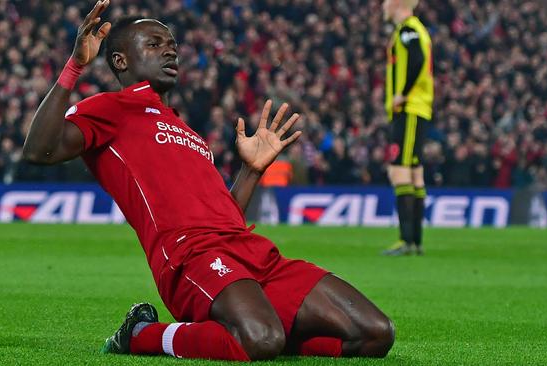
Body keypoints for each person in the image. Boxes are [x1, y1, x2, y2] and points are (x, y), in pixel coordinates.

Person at [23, 0, 394, 361]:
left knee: (375, 334)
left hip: (250, 250)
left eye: (172, 45)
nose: (169, 52)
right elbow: (40, 150)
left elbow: (226, 216)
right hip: (191, 256)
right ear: (121, 60)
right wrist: (74, 67)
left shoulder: (189, 133)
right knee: (261, 340)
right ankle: (141, 335)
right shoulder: (110, 108)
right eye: (154, 44)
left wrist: (251, 171)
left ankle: (250, 333)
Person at [381, 0, 433, 256]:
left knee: (400, 169)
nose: (383, 5)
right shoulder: (415, 29)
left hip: (410, 108)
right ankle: (415, 241)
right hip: (415, 109)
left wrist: (402, 94)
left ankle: (405, 239)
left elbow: (418, 59)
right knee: (414, 171)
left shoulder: (408, 30)